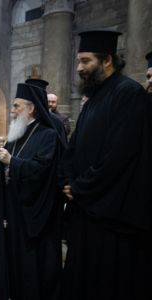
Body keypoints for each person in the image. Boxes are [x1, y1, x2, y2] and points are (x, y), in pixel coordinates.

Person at [58, 29, 152, 300]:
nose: (79, 68)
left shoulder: (129, 94)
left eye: (85, 61)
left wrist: (79, 187)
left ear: (107, 60)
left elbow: (119, 156)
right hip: (86, 208)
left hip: (111, 213)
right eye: (79, 61)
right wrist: (65, 179)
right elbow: (74, 145)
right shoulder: (93, 99)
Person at [0, 83, 64, 300]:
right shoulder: (19, 133)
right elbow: (6, 162)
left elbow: (44, 170)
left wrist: (13, 162)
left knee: (29, 261)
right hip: (13, 208)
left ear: (31, 108)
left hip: (33, 212)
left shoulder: (48, 135)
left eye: (16, 106)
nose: (12, 110)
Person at [25, 78, 68, 145]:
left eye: (53, 102)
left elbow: (64, 133)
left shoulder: (59, 119)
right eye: (48, 102)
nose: (50, 104)